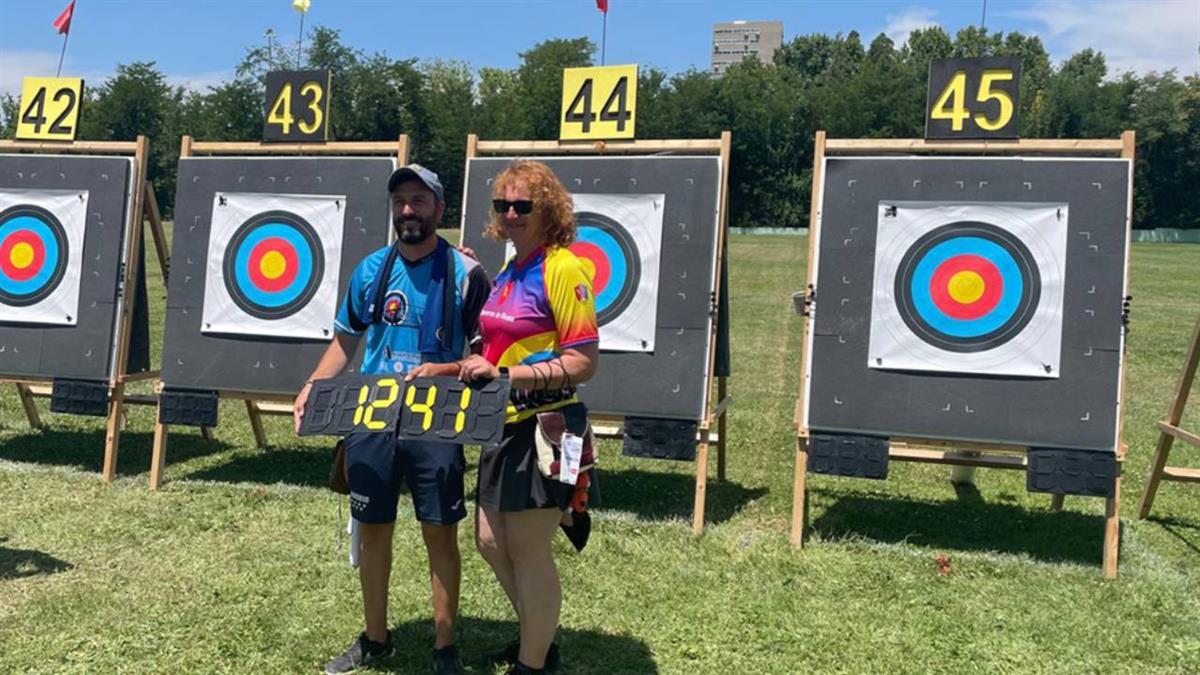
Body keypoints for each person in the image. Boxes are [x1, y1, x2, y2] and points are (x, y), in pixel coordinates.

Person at [293, 164, 490, 675]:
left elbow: (484, 356)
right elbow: (345, 339)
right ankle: (376, 639)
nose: (408, 210)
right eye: (401, 200)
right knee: (373, 527)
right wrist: (314, 385)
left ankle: (445, 647)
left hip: (438, 417)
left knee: (439, 532)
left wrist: (446, 369)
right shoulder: (371, 269)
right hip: (373, 413)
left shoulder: (467, 276)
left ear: (439, 209)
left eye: (419, 201)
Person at [454, 160, 600, 675]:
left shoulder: (562, 268)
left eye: (523, 206)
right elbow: (497, 341)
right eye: (503, 205)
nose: (511, 214)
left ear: (549, 210)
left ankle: (534, 664)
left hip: (548, 426)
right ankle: (538, 640)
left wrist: (508, 375)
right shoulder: (514, 269)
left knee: (528, 548)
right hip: (503, 421)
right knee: (490, 543)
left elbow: (583, 361)